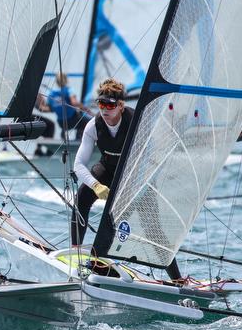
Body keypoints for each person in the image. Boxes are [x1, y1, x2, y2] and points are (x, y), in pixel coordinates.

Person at [70, 78, 183, 283]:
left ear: (120, 106)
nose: (104, 109)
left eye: (110, 105)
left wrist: (128, 191)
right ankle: (74, 255)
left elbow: (148, 159)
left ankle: (177, 279)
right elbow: (78, 165)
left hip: (137, 174)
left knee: (151, 226)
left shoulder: (137, 122)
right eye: (100, 104)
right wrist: (95, 185)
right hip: (107, 169)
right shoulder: (93, 126)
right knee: (82, 198)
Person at [38, 72, 90, 141]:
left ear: (56, 82)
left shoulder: (51, 94)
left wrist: (39, 99)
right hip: (72, 120)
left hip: (61, 123)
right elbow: (74, 102)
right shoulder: (68, 90)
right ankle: (79, 138)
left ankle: (63, 134)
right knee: (87, 123)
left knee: (72, 118)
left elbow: (49, 109)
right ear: (66, 80)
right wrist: (85, 108)